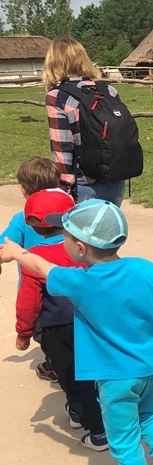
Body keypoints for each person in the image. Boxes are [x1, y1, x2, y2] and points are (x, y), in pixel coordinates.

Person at [0, 199, 153, 465]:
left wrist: (16, 252)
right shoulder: (143, 267)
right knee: (147, 414)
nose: (63, 241)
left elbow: (42, 268)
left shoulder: (83, 282)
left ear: (81, 248)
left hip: (116, 377)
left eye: (66, 237)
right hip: (151, 366)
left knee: (123, 439)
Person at [13, 188, 107, 450]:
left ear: (33, 224)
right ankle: (82, 411)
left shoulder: (35, 258)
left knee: (72, 380)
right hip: (93, 321)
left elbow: (29, 302)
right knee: (94, 373)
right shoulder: (86, 248)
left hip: (58, 329)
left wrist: (23, 332)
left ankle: (98, 431)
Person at [1, 156, 65, 382]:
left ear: (22, 188)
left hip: (37, 284)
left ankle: (55, 365)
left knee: (44, 329)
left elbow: (4, 245)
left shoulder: (22, 219)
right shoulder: (68, 211)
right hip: (70, 280)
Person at [42, 36, 126, 205]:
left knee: (80, 224)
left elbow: (62, 146)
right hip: (116, 179)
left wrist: (64, 187)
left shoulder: (58, 97)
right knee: (109, 223)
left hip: (84, 184)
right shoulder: (109, 91)